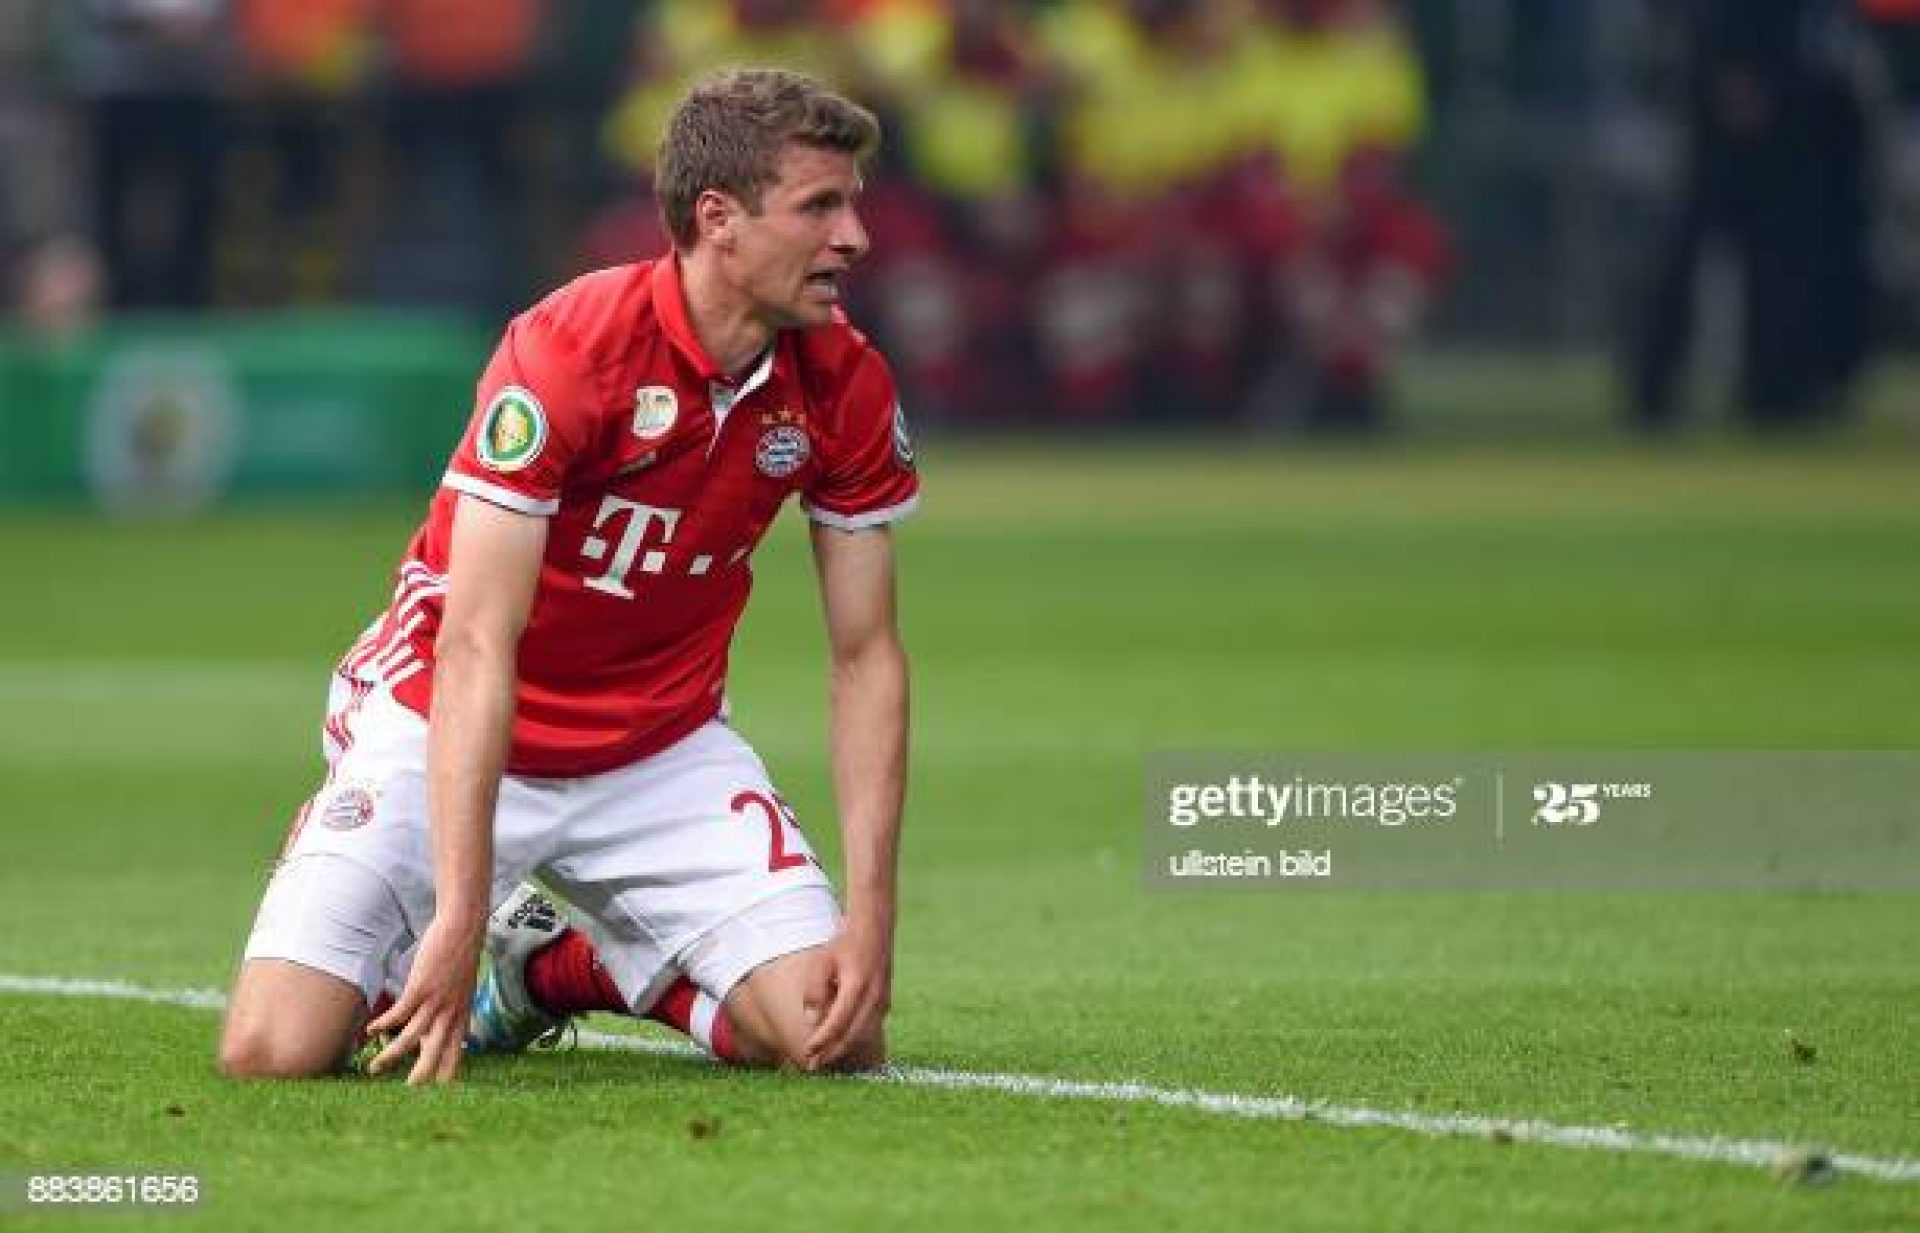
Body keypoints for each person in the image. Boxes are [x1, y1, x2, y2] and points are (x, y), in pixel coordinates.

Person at [220, 67, 918, 1084]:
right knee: (274, 1050)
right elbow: (475, 640)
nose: (853, 237)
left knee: (837, 1038)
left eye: (851, 204)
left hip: (659, 744)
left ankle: (549, 968)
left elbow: (866, 655)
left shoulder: (845, 381)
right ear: (718, 219)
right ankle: (391, 884)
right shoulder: (570, 350)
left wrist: (874, 915)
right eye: (820, 207)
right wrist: (459, 914)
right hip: (443, 716)